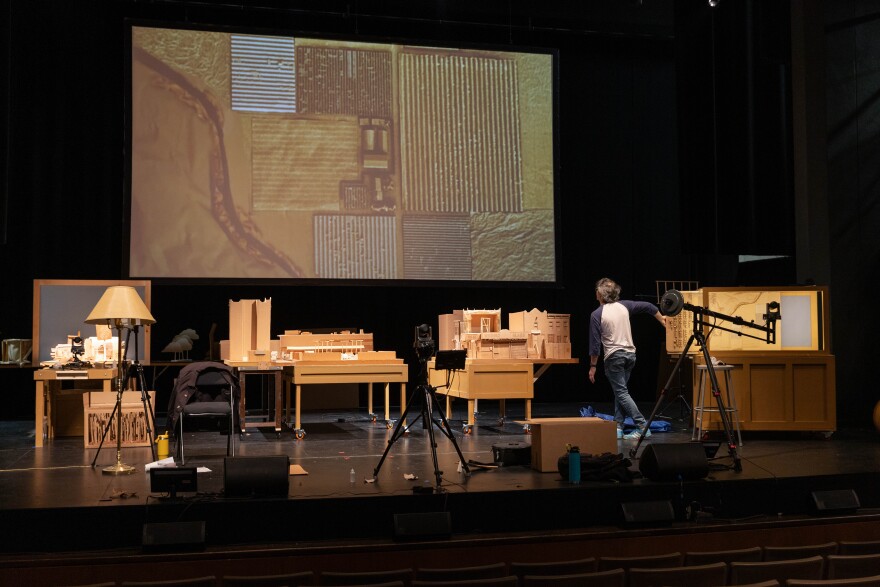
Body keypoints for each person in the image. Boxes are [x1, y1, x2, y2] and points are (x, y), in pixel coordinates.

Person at [588, 277, 667, 440]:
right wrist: (662, 319)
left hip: (614, 357)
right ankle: (618, 426)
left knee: (621, 393)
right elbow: (649, 307)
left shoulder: (597, 314)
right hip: (630, 355)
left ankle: (642, 426)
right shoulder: (624, 306)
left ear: (600, 294)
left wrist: (592, 366)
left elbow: (595, 344)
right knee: (620, 392)